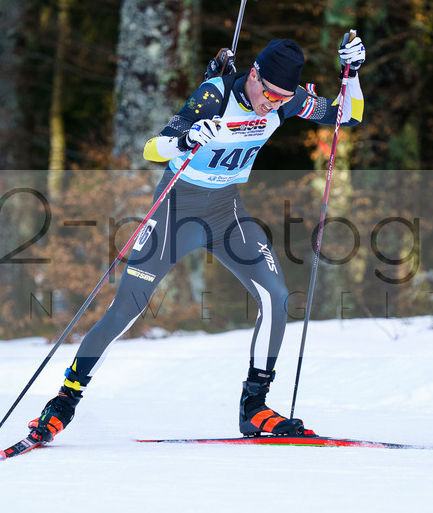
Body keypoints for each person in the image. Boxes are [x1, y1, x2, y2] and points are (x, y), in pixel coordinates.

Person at [24, 33, 367, 444]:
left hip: (226, 213)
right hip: (176, 211)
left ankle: (254, 407)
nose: (273, 105)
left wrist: (353, 74)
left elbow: (347, 115)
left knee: (275, 296)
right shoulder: (214, 96)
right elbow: (153, 149)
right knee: (127, 308)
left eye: (282, 99)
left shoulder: (285, 99)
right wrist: (184, 140)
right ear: (254, 75)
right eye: (270, 95)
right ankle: (64, 401)